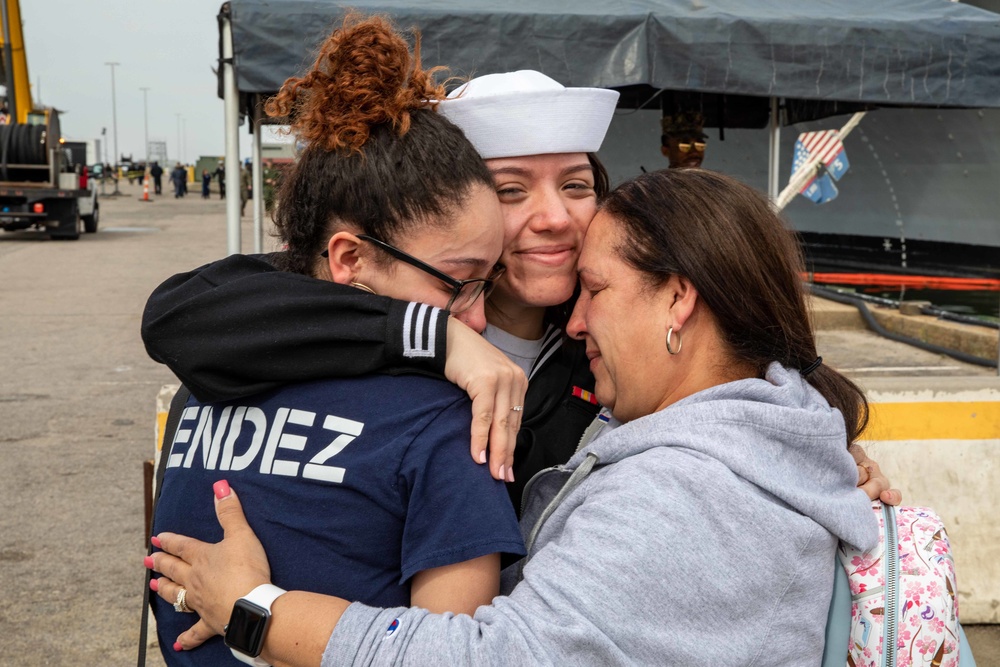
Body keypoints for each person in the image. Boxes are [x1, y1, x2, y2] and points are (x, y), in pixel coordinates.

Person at [149, 168, 881, 665]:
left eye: (592, 290)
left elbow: (486, 656)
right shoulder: (758, 428)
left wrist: (255, 608)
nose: (579, 319)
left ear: (679, 299)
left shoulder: (687, 494)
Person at [142, 70, 895, 507]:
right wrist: (435, 337)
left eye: (576, 184)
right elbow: (183, 316)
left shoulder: (613, 337)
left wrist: (827, 458)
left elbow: (745, 369)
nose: (556, 219)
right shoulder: (375, 293)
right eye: (511, 190)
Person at [148, 15, 523, 666]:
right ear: (349, 257)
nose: (479, 319)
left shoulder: (206, 378)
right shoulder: (447, 425)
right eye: (460, 282)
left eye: (488, 284)